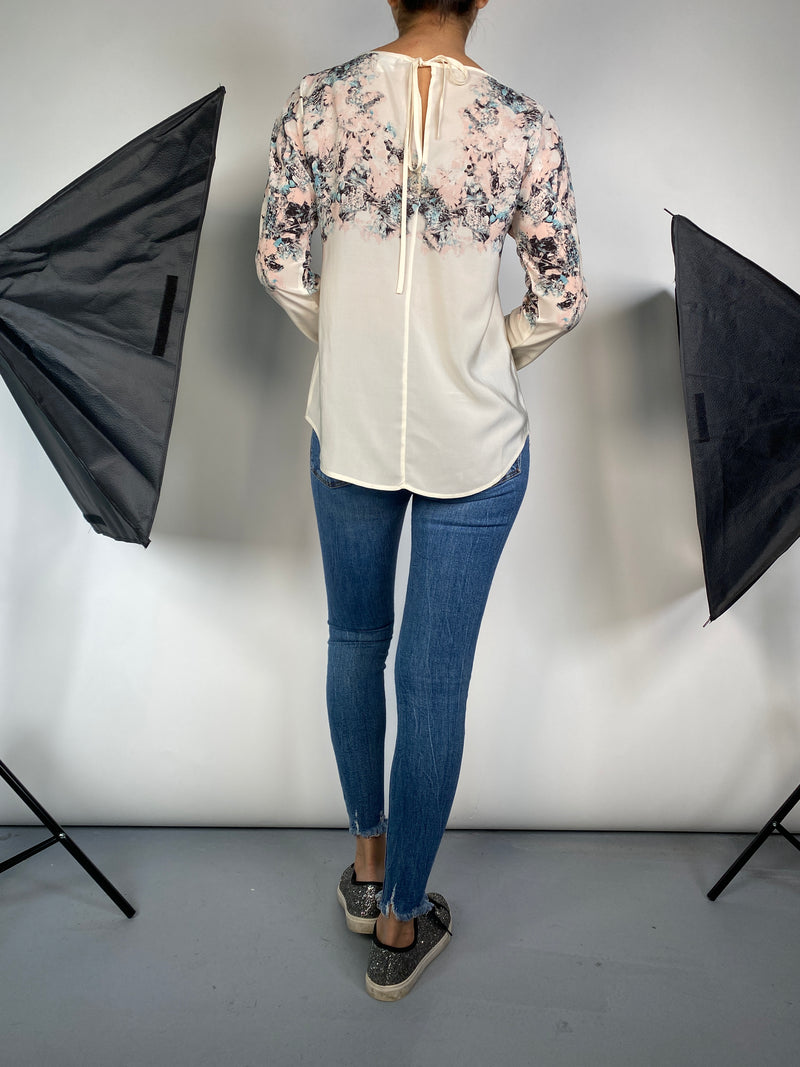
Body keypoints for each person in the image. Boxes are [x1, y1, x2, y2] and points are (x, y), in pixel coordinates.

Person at [256, 0, 586, 1001]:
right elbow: (560, 297)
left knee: (355, 641)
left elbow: (279, 263)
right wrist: (484, 355)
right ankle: (400, 922)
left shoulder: (318, 102)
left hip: (349, 430)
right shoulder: (523, 124)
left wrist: (357, 348)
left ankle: (367, 867)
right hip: (474, 443)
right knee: (433, 686)